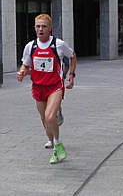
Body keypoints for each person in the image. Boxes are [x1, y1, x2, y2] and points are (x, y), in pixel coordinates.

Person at [16, 14, 77, 163]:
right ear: (34, 28)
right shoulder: (30, 46)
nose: (41, 29)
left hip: (55, 85)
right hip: (38, 87)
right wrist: (22, 71)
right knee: (45, 120)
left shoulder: (59, 44)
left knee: (50, 117)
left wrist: (71, 75)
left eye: (44, 26)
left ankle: (58, 146)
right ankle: (51, 138)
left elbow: (72, 55)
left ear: (50, 28)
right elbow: (26, 64)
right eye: (38, 26)